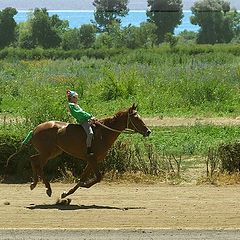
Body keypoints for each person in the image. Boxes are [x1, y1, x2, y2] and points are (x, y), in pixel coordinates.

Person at [66, 90, 95, 156]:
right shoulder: (71, 105)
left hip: (86, 119)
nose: (77, 99)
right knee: (90, 133)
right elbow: (80, 113)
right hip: (83, 121)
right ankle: (88, 149)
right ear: (72, 98)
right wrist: (90, 116)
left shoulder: (74, 105)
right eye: (75, 97)